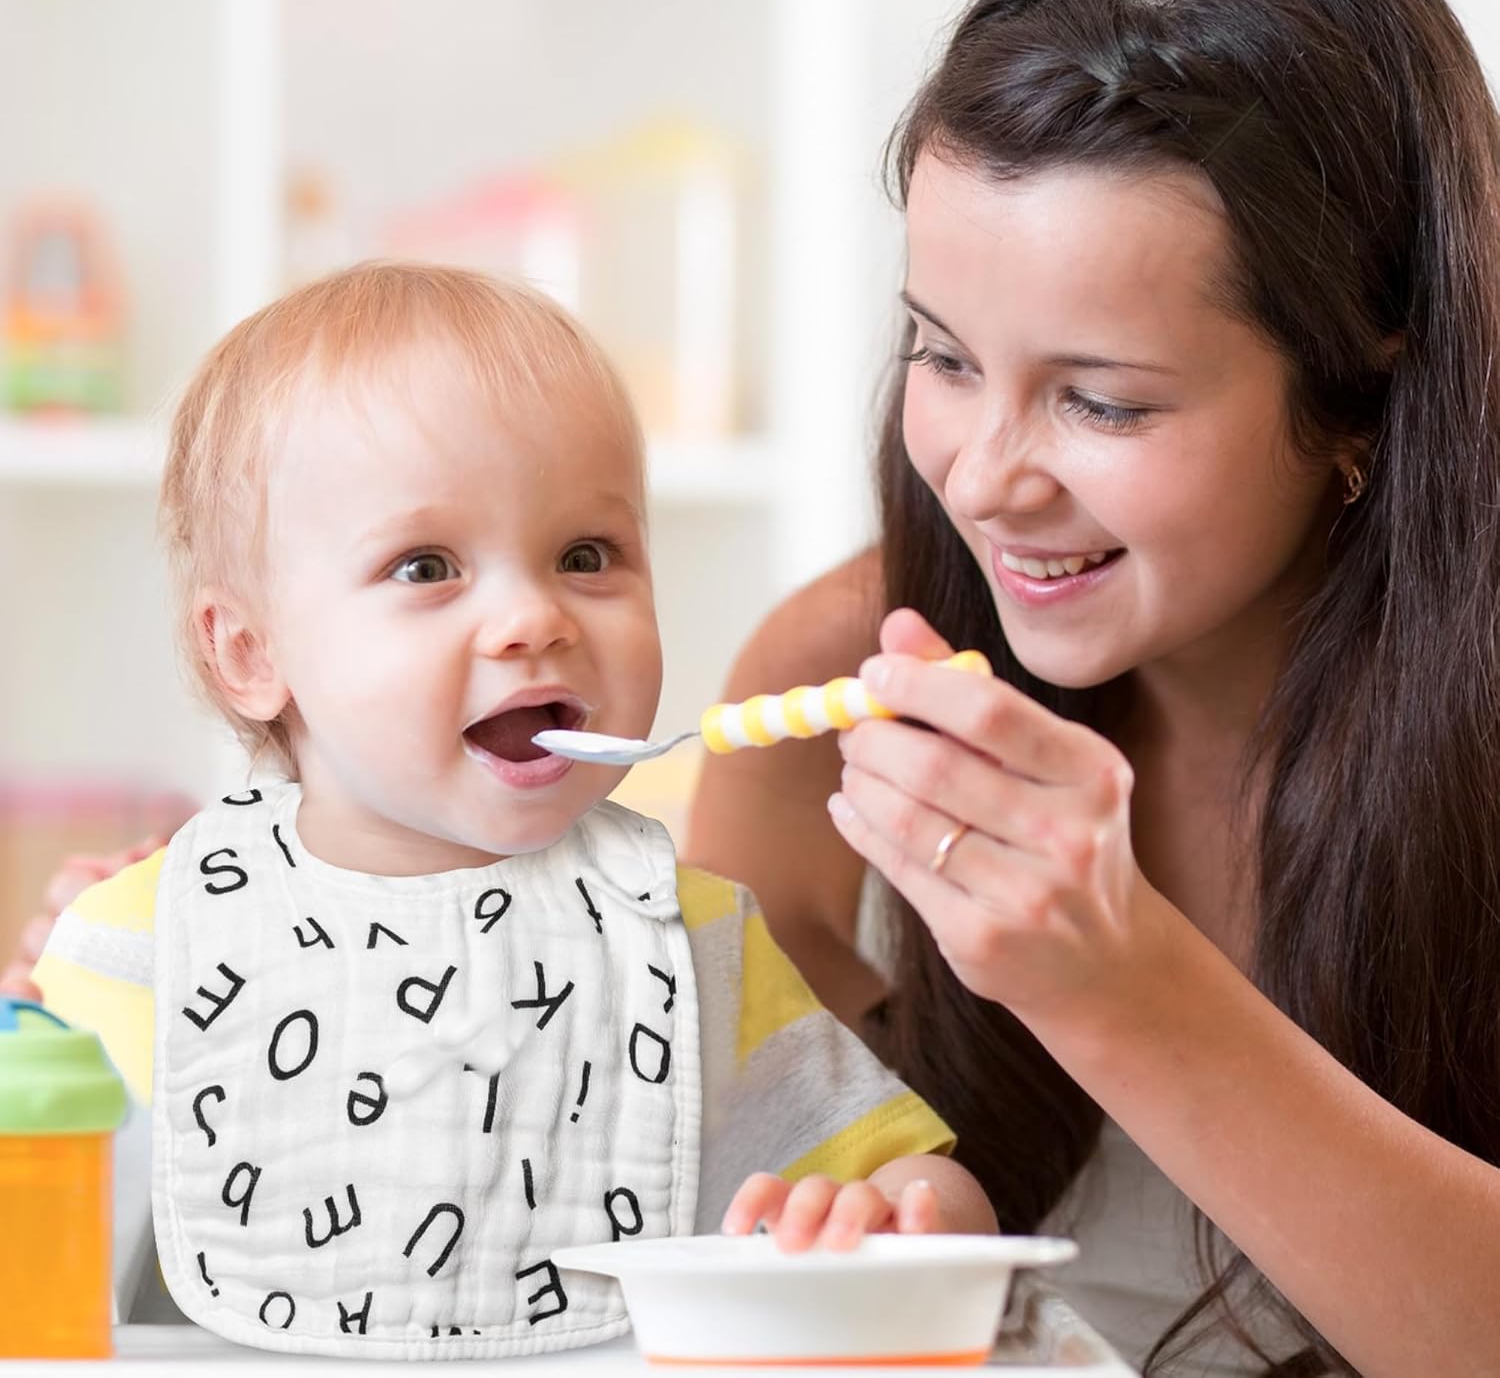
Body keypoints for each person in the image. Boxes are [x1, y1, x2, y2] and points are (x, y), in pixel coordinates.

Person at [686, 0, 1500, 1377]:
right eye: (942, 356)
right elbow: (761, 1196)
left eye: (1103, 402)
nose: (983, 481)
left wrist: (1115, 985)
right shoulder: (830, 691)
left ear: (1363, 397)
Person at [28, 263, 989, 1356]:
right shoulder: (148, 945)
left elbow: (928, 1198)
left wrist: (892, 1224)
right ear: (251, 653)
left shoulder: (689, 940)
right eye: (426, 566)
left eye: (586, 556)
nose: (535, 618)